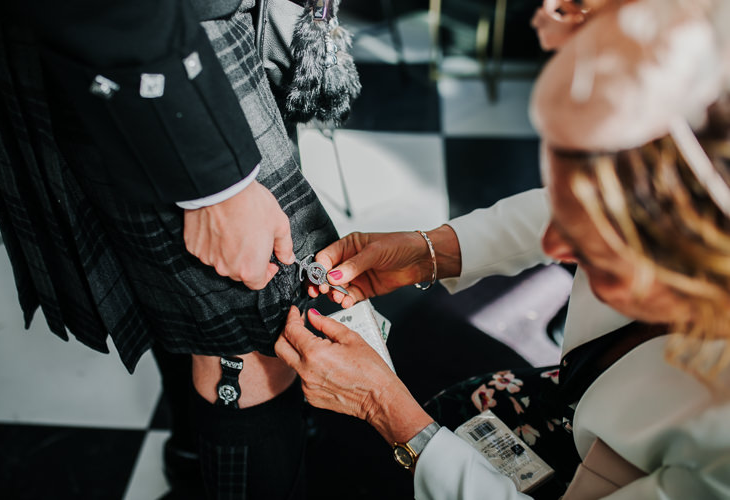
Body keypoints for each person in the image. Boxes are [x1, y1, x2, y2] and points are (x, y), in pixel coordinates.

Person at [274, 1, 730, 498]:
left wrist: (384, 407)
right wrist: (430, 251)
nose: (558, 249)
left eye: (598, 241)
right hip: (580, 396)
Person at [0, 1, 338, 498]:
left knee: (189, 302)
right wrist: (217, 182)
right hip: (148, 46)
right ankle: (220, 455)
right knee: (254, 328)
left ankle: (197, 455)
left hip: (180, 33)